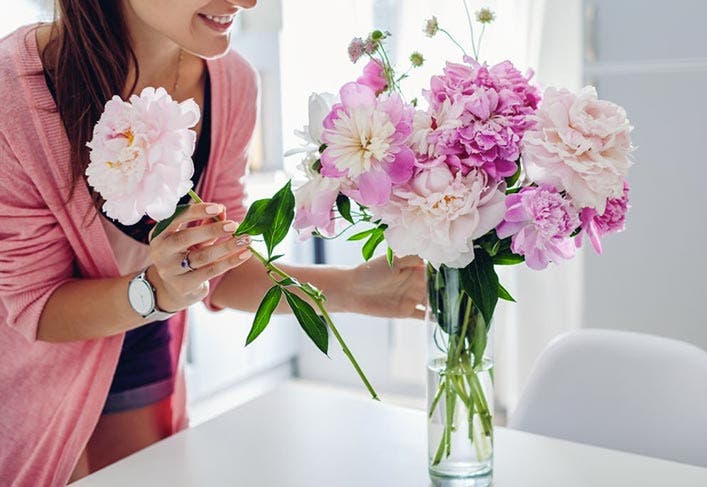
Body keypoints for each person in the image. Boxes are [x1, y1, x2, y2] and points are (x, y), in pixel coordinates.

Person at [0, 1, 426, 484]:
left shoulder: (232, 84)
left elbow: (221, 268)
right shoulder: (13, 94)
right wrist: (156, 291)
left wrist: (351, 289)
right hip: (29, 379)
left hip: (142, 341)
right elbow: (37, 305)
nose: (247, 1)